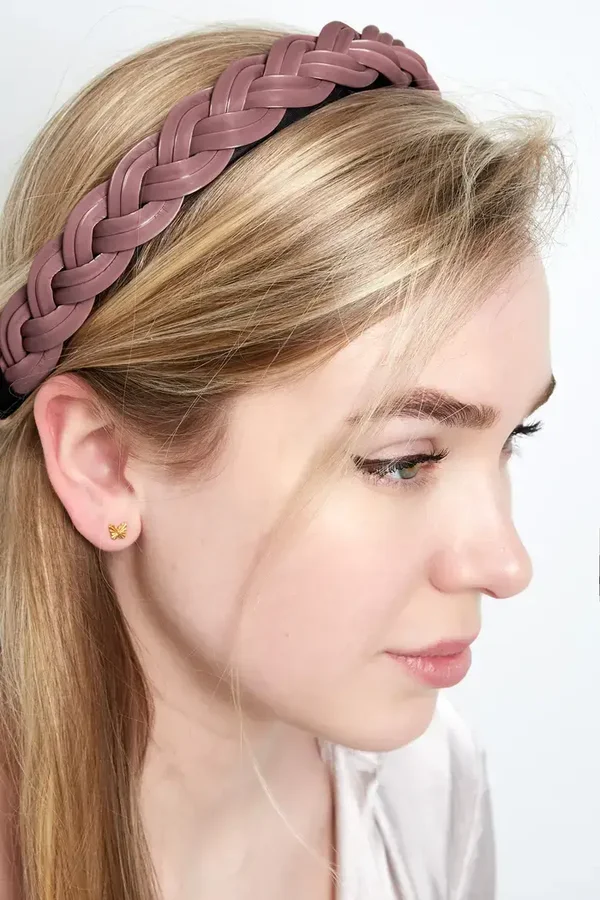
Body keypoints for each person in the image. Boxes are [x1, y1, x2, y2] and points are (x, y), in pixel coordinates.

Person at [0, 18, 568, 900]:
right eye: (404, 461)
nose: (506, 565)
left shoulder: (426, 791)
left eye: (511, 440)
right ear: (104, 462)